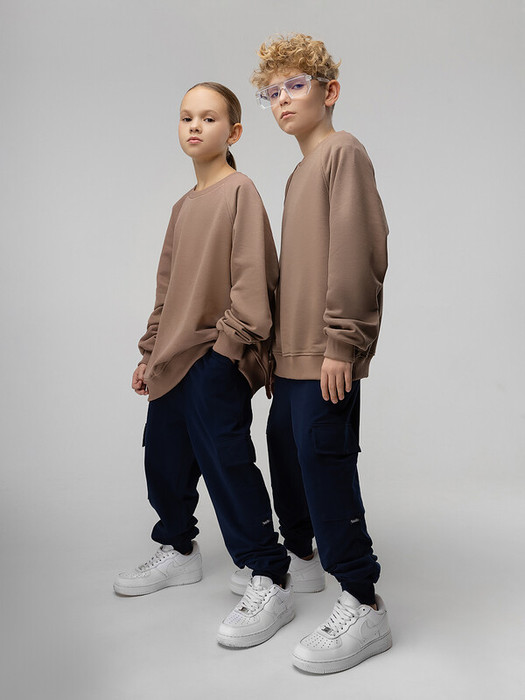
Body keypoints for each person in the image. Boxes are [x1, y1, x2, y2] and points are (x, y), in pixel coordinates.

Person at [113, 82, 294, 648]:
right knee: (164, 459)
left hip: (217, 356)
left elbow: (254, 281)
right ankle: (178, 548)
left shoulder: (241, 192)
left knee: (227, 463)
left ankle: (268, 575)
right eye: (187, 117)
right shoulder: (182, 207)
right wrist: (150, 352)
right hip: (172, 359)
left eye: (209, 118)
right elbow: (166, 290)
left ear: (234, 132)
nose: (195, 126)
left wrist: (226, 354)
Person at [247, 34, 392, 673]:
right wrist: (277, 354)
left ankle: (362, 600)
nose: (282, 100)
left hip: (327, 351)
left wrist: (342, 343)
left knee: (324, 462)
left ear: (329, 92)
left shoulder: (343, 153)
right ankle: (302, 558)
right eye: (271, 92)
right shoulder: (300, 170)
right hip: (293, 355)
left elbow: (359, 251)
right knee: (284, 449)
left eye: (295, 85)